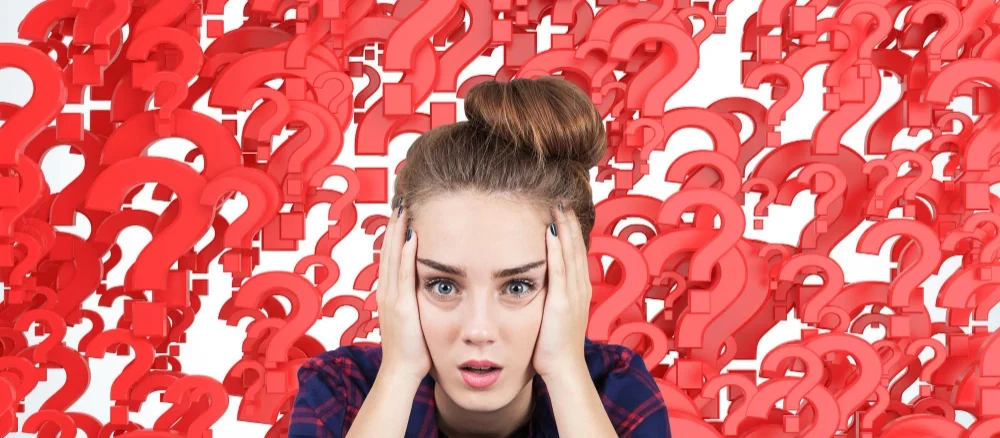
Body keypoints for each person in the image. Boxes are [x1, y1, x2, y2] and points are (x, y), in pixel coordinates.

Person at [288, 76, 671, 437]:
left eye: (519, 286)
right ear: (397, 276)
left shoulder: (615, 390)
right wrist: (398, 373)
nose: (478, 331)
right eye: (442, 285)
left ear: (570, 283)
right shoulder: (340, 390)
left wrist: (566, 371)